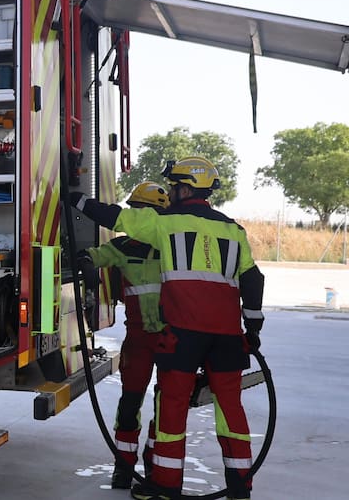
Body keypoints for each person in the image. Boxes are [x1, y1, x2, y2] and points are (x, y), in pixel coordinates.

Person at [70, 157, 264, 500]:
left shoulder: (166, 223)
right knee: (231, 410)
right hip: (227, 337)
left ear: (185, 188)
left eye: (174, 187)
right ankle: (240, 489)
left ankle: (165, 487)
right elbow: (252, 278)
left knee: (171, 408)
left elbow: (115, 217)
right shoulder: (234, 229)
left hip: (184, 334)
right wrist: (253, 325)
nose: (171, 193)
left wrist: (77, 200)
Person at [77, 181, 169, 489]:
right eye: (136, 211)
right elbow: (94, 255)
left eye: (145, 212)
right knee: (130, 404)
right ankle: (124, 467)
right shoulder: (120, 248)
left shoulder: (173, 248)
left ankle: (156, 463)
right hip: (139, 340)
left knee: (166, 404)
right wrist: (86, 263)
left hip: (172, 339)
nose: (139, 218)